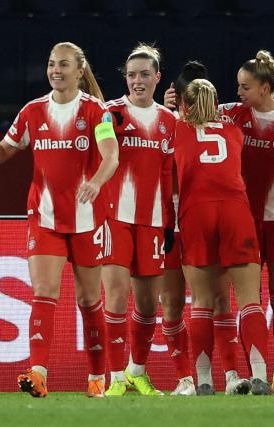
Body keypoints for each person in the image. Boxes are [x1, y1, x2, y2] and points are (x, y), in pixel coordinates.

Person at [0, 42, 119, 398]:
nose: (55, 70)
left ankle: (99, 377)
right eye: (52, 64)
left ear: (80, 70)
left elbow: (111, 156)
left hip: (87, 219)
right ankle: (37, 373)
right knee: (43, 291)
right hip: (45, 216)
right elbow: (7, 148)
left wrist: (95, 184)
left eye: (64, 64)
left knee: (89, 300)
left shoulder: (96, 112)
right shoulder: (32, 111)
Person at [173, 78, 274, 395]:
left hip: (196, 211)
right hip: (234, 209)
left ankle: (203, 382)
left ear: (185, 105)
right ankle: (259, 376)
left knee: (202, 303)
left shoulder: (176, 129)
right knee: (249, 301)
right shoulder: (233, 129)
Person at [219, 50, 274, 394]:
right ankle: (253, 372)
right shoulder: (230, 114)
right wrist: (175, 102)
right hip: (243, 225)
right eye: (238, 86)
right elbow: (194, 116)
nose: (238, 92)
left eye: (245, 87)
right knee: (248, 300)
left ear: (267, 88)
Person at [163, 61, 250, 396]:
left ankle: (229, 374)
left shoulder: (184, 127)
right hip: (173, 222)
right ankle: (185, 378)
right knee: (171, 302)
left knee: (217, 300)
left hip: (194, 217)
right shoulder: (165, 124)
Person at [101, 43, 180, 396]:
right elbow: (94, 154)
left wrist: (171, 224)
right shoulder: (110, 114)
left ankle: (137, 370)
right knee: (116, 299)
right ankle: (115, 377)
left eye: (144, 74)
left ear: (157, 78)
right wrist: (107, 132)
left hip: (153, 222)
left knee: (148, 305)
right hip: (114, 219)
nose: (137, 81)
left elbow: (171, 175)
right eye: (131, 75)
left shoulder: (169, 121)